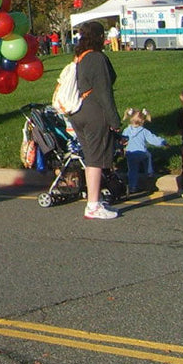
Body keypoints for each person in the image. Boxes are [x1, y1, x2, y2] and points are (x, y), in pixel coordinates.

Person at [67, 21, 121, 220]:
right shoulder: (98, 58)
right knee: (97, 159)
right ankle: (93, 205)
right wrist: (115, 120)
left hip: (78, 111)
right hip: (94, 112)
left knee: (90, 158)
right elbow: (104, 93)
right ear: (98, 37)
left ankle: (93, 200)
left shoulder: (79, 58)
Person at [120, 107, 165, 193]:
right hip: (142, 153)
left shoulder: (126, 131)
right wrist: (163, 142)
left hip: (130, 154)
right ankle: (149, 172)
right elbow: (153, 140)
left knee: (132, 170)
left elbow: (122, 141)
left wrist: (122, 149)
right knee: (148, 156)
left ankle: (132, 187)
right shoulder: (144, 131)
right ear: (143, 121)